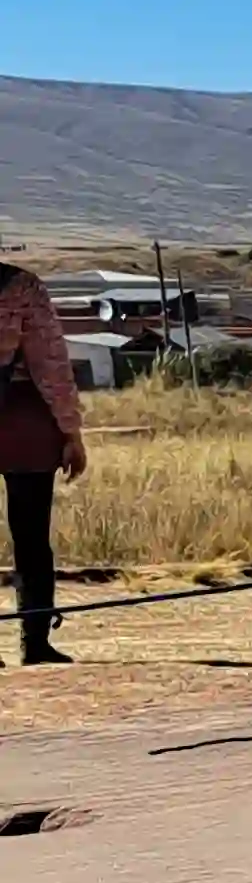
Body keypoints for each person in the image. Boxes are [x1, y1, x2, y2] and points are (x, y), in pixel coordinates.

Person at [0, 258, 83, 665]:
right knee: (31, 537)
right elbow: (49, 364)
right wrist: (71, 432)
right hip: (24, 420)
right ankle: (34, 640)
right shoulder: (22, 287)